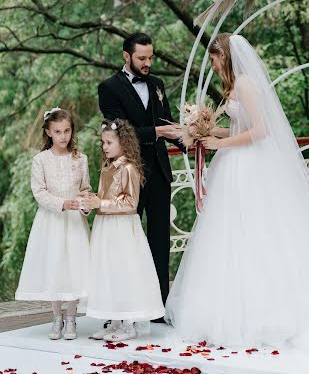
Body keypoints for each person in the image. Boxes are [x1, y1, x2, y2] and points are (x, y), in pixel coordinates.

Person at [166, 33, 309, 364]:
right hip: (234, 167)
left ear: (225, 56)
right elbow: (237, 129)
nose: (214, 64)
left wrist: (221, 145)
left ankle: (263, 313)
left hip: (249, 168)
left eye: (216, 58)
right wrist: (206, 133)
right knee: (231, 237)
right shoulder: (233, 87)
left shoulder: (245, 84)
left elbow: (260, 131)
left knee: (256, 233)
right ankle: (229, 308)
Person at [98, 32, 184, 311]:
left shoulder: (157, 84)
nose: (148, 63)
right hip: (127, 176)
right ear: (127, 56)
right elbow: (119, 133)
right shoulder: (109, 88)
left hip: (159, 172)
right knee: (126, 242)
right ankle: (124, 307)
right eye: (142, 58)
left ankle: (158, 307)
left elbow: (166, 122)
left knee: (160, 242)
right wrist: (158, 131)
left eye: (150, 57)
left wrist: (188, 138)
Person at [81, 119, 164, 342]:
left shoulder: (128, 169)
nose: (104, 147)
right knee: (108, 272)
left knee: (124, 271)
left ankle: (128, 325)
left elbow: (130, 203)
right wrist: (91, 204)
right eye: (103, 143)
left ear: (123, 143)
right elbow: (102, 197)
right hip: (105, 227)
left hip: (122, 228)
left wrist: (101, 204)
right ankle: (114, 320)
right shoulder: (107, 167)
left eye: (109, 142)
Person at [15, 107, 90, 341]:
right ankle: (56, 317)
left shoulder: (80, 159)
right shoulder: (41, 160)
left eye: (67, 131)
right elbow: (39, 191)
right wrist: (61, 203)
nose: (63, 136)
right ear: (48, 132)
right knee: (55, 266)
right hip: (51, 221)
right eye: (58, 131)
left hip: (75, 221)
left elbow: (85, 189)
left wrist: (85, 204)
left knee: (74, 267)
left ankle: (71, 317)